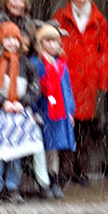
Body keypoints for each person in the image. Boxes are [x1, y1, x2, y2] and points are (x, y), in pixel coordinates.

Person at [52, 0, 108, 185]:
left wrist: (102, 79)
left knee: (84, 129)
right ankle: (65, 170)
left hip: (87, 80)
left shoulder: (98, 20)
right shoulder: (60, 16)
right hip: (67, 78)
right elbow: (52, 43)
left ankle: (82, 170)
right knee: (65, 124)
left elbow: (103, 51)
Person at [0, 22, 44, 203]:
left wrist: (21, 103)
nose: (12, 43)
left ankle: (12, 186)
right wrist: (3, 102)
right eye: (7, 39)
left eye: (15, 39)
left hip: (18, 114)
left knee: (17, 151)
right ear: (1, 40)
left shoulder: (27, 64)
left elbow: (35, 88)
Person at [31, 21, 77, 199]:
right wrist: (34, 110)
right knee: (41, 148)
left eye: (55, 41)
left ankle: (54, 179)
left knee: (54, 148)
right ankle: (42, 183)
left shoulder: (61, 64)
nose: (52, 45)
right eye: (48, 41)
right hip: (43, 111)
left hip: (59, 113)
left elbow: (67, 89)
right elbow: (34, 90)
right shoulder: (36, 63)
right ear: (41, 43)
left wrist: (70, 111)